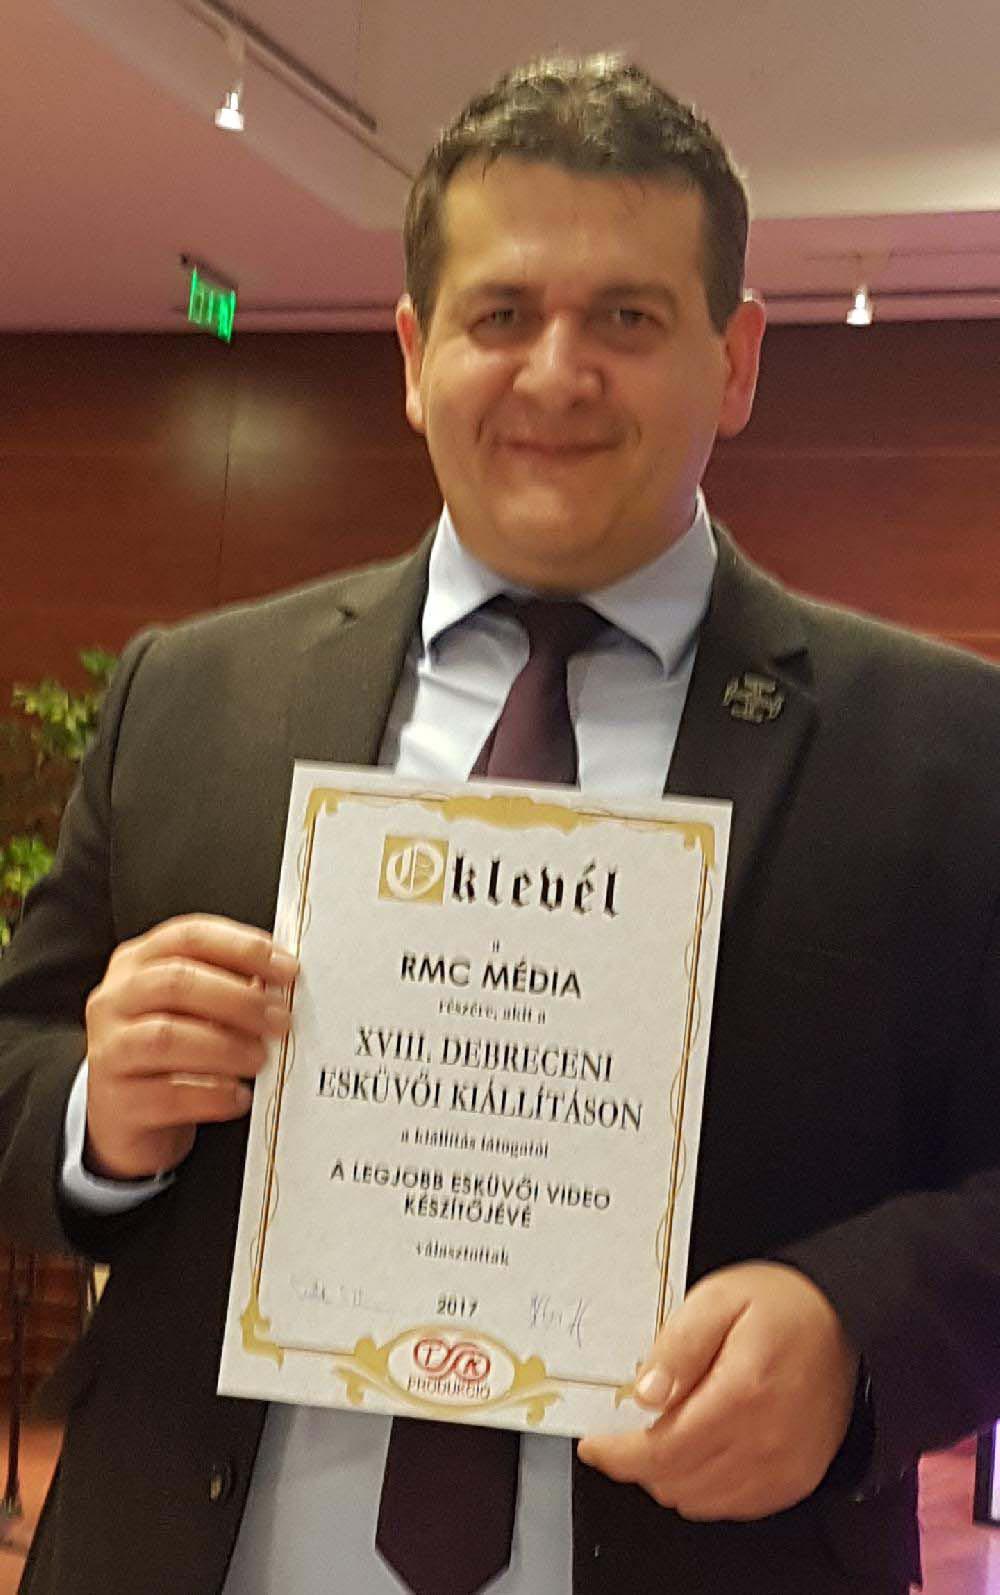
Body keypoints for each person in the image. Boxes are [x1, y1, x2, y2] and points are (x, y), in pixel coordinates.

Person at [1, 51, 998, 1595]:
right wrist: (99, 1118)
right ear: (415, 355)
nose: (556, 375)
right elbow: (18, 1061)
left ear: (736, 360)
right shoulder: (189, 697)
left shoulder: (946, 749)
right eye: (502, 314)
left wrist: (858, 1334)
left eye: (628, 318)